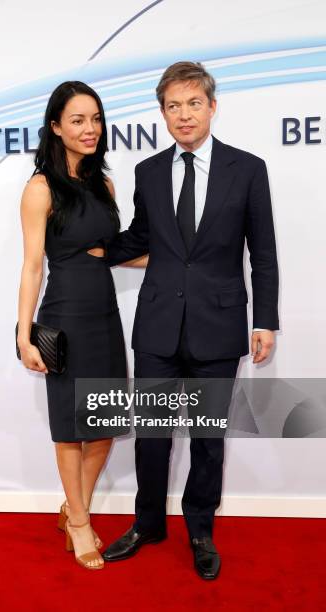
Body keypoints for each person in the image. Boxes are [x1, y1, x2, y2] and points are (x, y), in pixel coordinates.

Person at [103, 62, 279, 579]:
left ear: (212, 106)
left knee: (206, 437)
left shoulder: (247, 169)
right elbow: (140, 239)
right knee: (152, 435)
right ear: (162, 113)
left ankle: (200, 529)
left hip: (219, 326)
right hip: (158, 323)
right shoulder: (149, 172)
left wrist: (265, 319)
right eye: (173, 106)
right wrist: (86, 247)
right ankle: (147, 523)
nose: (184, 115)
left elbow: (262, 253)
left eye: (193, 103)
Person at [16, 81, 146, 570]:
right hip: (64, 320)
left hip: (105, 318)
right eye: (77, 120)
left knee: (106, 427)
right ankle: (80, 522)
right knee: (71, 431)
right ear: (55, 127)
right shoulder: (39, 189)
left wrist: (176, 258)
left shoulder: (105, 185)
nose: (90, 128)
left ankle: (73, 506)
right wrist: (23, 333)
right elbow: (32, 267)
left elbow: (109, 252)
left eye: (95, 118)